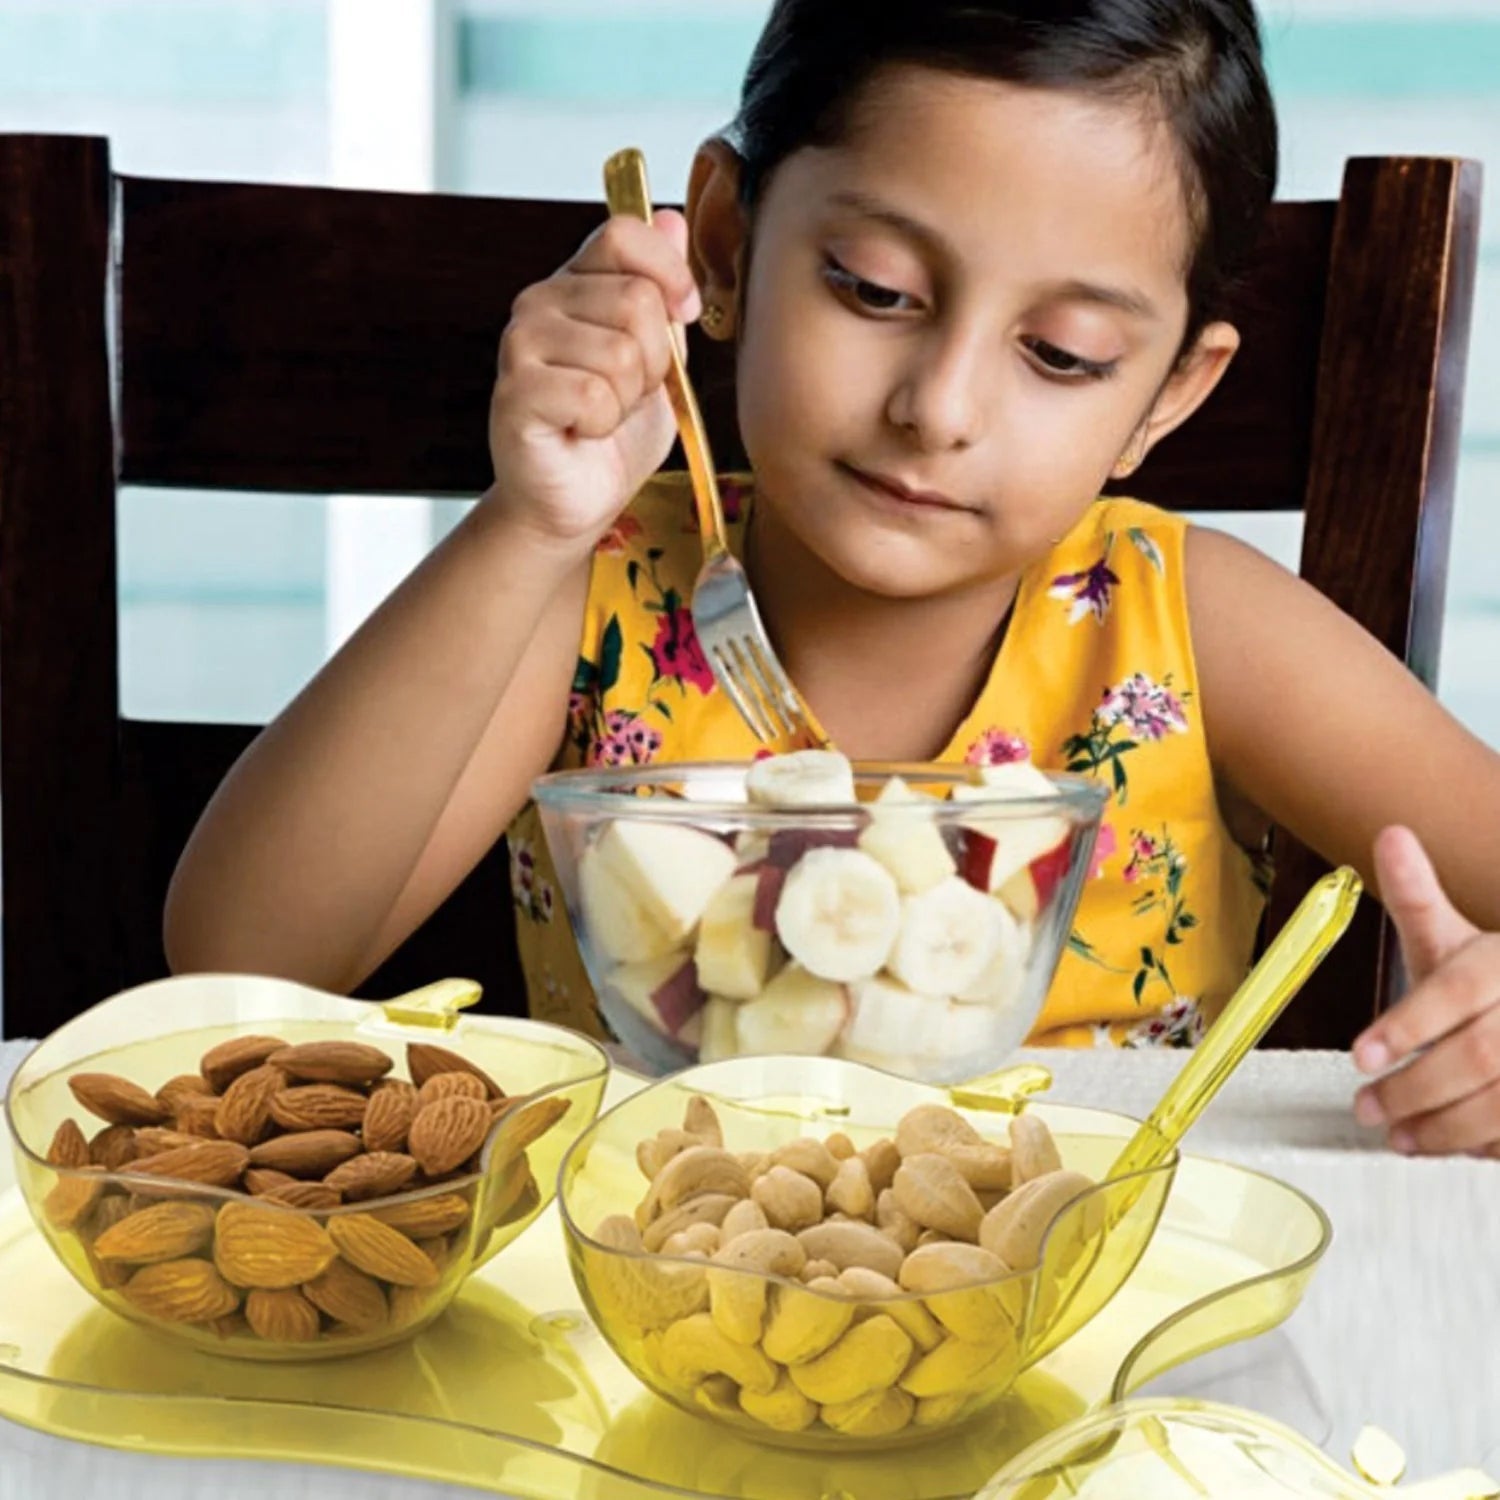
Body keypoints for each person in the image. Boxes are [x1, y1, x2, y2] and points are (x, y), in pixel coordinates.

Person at [163, 0, 1500, 1157]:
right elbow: (239, 962)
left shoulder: (1184, 622)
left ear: (1168, 392)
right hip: (650, 1320)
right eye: (871, 290)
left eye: (1067, 354)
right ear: (729, 247)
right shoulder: (601, 591)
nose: (942, 407)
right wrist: (530, 524)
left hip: (1095, 1327)